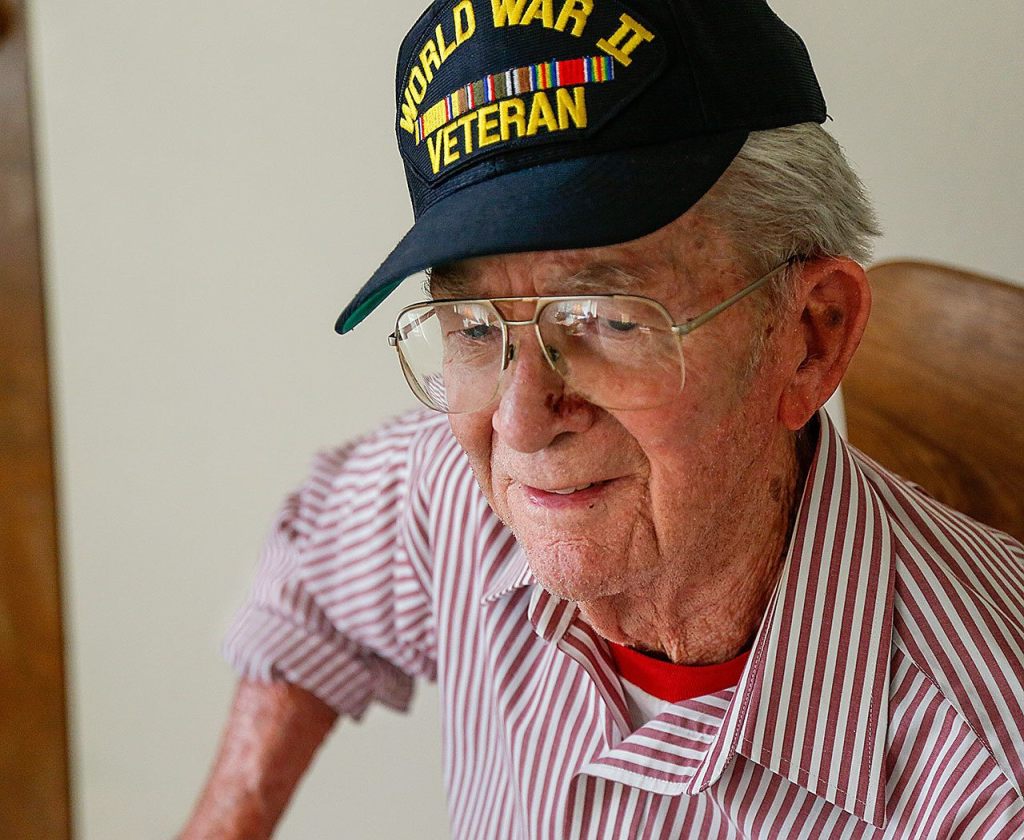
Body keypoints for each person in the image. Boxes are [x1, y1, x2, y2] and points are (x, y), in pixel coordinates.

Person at [181, 0, 1024, 837]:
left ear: (809, 338)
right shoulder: (458, 492)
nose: (519, 422)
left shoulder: (986, 776)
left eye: (608, 317)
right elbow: (313, 579)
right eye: (474, 327)